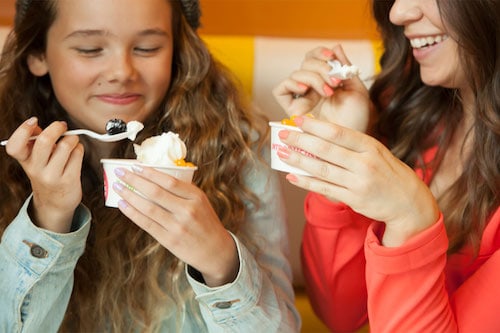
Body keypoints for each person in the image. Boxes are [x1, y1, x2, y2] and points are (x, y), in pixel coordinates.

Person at [0, 0, 301, 332]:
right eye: (90, 49)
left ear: (177, 51)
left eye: (147, 47)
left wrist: (220, 261)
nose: (122, 72)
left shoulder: (238, 151)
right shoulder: (7, 159)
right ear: (38, 54)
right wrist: (48, 217)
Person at [272, 0, 499, 332]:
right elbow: (341, 313)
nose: (398, 13)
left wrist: (411, 225)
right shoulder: (409, 111)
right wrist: (342, 145)